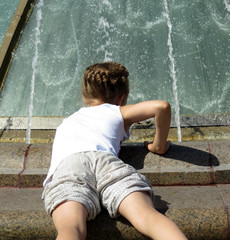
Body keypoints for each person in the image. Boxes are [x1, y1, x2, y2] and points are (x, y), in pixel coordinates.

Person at [42, 62, 187, 240]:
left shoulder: (68, 122)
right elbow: (162, 106)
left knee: (71, 227)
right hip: (106, 162)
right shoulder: (118, 111)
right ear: (122, 99)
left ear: (85, 97)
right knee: (146, 216)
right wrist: (159, 146)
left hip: (70, 164)